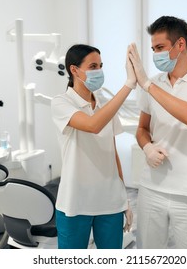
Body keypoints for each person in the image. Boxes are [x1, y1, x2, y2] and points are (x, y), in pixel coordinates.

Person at [128, 16, 187, 249]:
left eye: (160, 47)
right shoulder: (152, 82)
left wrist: (148, 86)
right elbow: (142, 129)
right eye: (153, 49)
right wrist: (147, 147)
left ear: (180, 45)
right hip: (152, 188)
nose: (155, 55)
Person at [51, 44, 135, 249]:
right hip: (75, 203)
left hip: (109, 201)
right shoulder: (61, 103)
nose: (99, 71)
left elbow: (112, 153)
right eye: (93, 66)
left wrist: (123, 198)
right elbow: (93, 125)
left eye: (101, 66)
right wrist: (129, 85)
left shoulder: (106, 106)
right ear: (74, 70)